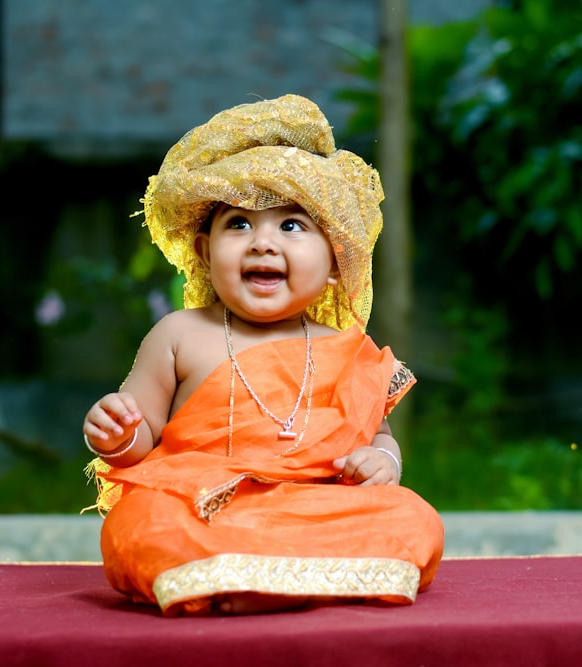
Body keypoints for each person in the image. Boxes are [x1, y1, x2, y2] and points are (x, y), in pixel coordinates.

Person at [82, 94, 444, 616]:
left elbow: (378, 438)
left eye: (291, 225)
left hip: (314, 507)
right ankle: (285, 580)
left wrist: (380, 462)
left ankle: (255, 581)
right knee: (143, 521)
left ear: (337, 260)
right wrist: (118, 435)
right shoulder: (180, 334)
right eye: (239, 224)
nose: (262, 244)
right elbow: (140, 441)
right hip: (205, 507)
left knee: (411, 517)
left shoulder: (345, 349)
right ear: (206, 254)